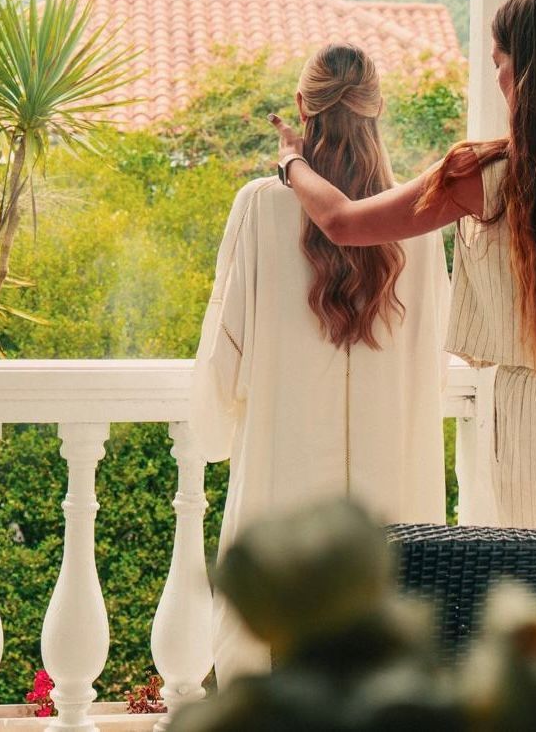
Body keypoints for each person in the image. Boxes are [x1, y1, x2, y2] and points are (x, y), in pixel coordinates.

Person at [270, 0, 536, 534]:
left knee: (535, 578)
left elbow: (344, 222)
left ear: (521, 72)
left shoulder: (481, 175)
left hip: (524, 415)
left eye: (497, 62)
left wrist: (293, 160)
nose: (497, 78)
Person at [190, 44, 450, 686]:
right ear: (378, 108)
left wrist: (217, 432)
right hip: (393, 480)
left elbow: (224, 352)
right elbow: (432, 363)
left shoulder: (260, 205)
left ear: (303, 107)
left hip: (283, 473)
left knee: (272, 668)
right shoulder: (421, 216)